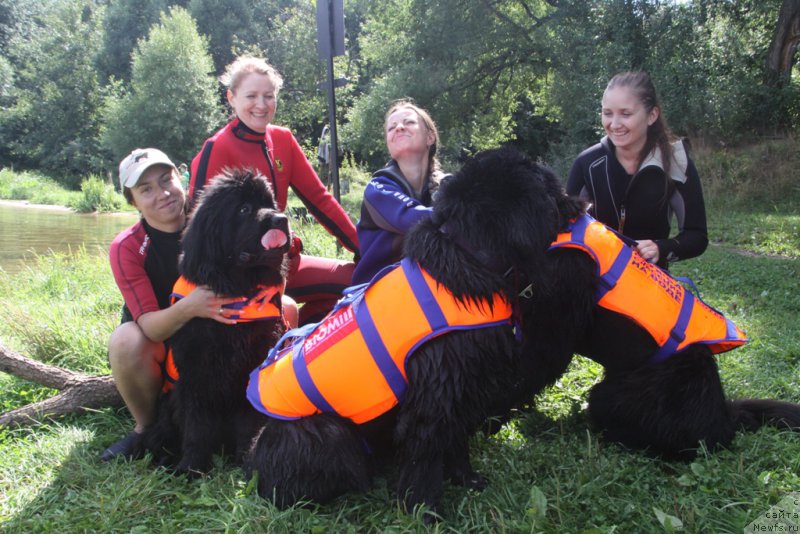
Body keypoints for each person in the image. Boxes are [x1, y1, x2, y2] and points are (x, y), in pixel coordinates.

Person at [102, 148, 297, 461]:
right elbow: (150, 325)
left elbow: (280, 245)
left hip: (223, 318)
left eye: (166, 180)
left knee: (285, 306)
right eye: (146, 189)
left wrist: (275, 284)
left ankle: (259, 408)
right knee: (125, 340)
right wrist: (191, 306)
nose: (162, 193)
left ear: (180, 178)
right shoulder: (128, 246)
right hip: (160, 333)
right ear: (132, 201)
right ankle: (146, 427)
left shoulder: (214, 209)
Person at [189, 56, 358, 324]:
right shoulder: (218, 147)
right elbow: (197, 227)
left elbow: (320, 201)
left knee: (360, 280)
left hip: (285, 263)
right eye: (251, 96)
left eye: (268, 96)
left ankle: (306, 341)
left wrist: (365, 247)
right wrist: (250, 280)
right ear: (231, 98)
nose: (261, 105)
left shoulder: (283, 140)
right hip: (242, 273)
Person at [566, 71, 708, 269]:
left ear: (652, 115)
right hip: (594, 283)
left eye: (626, 114)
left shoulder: (676, 162)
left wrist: (661, 249)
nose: (614, 124)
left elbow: (697, 236)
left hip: (649, 282)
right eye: (607, 113)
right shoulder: (587, 163)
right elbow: (565, 229)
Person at [351, 100, 448, 285]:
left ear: (430, 137)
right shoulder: (378, 187)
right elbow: (411, 219)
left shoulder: (447, 185)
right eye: (391, 127)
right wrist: (465, 213)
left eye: (409, 122)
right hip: (379, 290)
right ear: (389, 144)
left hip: (430, 285)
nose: (399, 128)